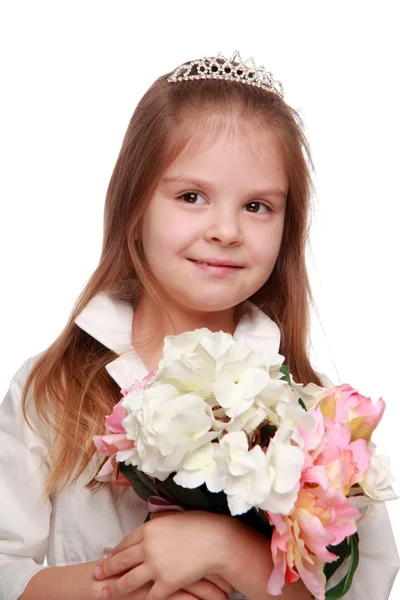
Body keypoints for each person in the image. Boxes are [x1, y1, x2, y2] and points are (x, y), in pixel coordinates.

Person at [0, 51, 398, 600]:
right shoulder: (52, 390)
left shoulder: (315, 417)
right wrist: (124, 588)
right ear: (135, 206)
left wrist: (229, 550)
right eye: (192, 197)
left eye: (258, 206)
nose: (226, 229)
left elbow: (366, 589)